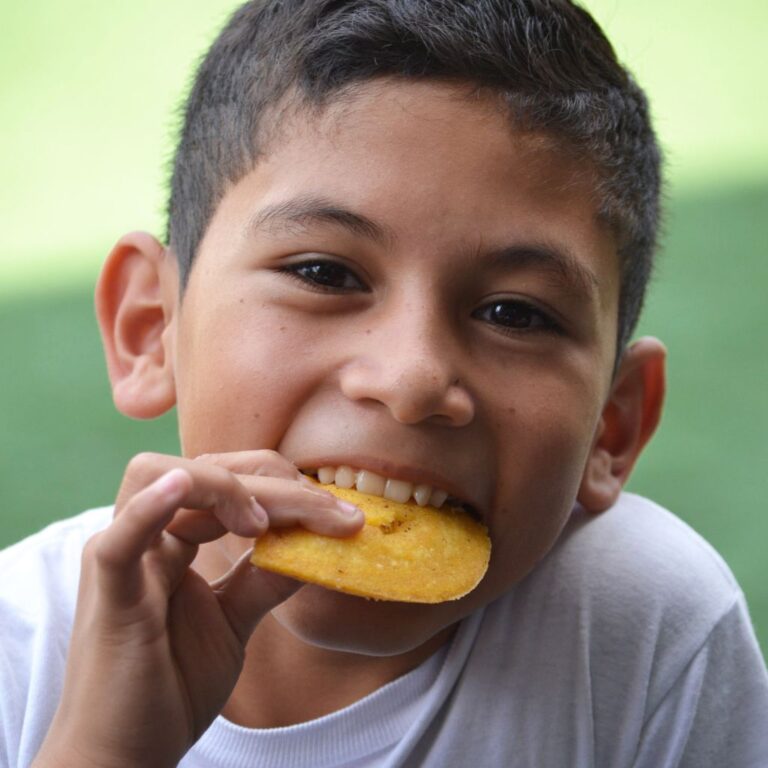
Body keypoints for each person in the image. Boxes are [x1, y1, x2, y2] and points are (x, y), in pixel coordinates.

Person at [2, 0, 767, 765]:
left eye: (515, 313)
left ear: (611, 427)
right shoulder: (20, 654)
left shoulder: (639, 631)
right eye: (323, 273)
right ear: (151, 328)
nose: (412, 379)